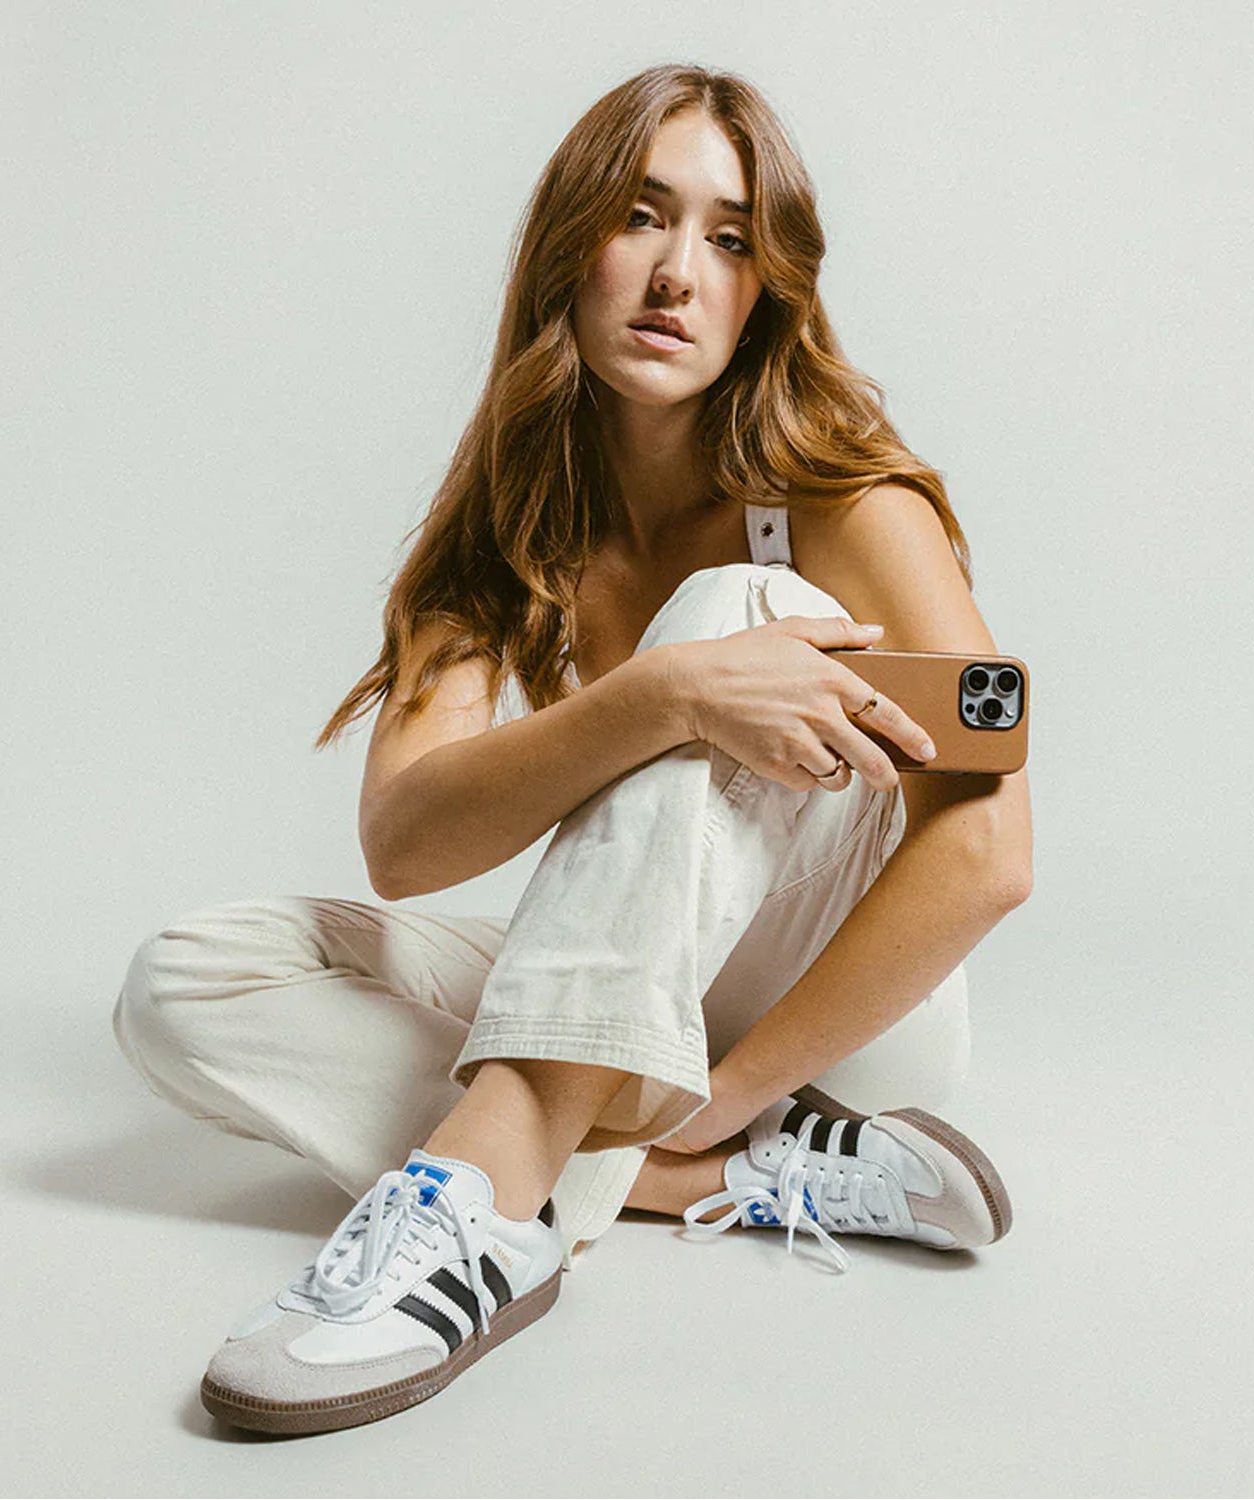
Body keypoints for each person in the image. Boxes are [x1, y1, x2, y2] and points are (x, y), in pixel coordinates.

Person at [113, 63, 1034, 1436]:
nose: (677, 274)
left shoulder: (839, 493)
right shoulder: (512, 527)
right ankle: (711, 1177)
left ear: (768, 288)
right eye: (640, 217)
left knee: (742, 608)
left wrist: (730, 1090)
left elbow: (994, 850)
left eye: (729, 238)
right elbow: (406, 841)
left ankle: (483, 1204)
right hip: (634, 997)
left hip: (835, 1010)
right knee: (184, 983)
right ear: (569, 245)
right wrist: (665, 695)